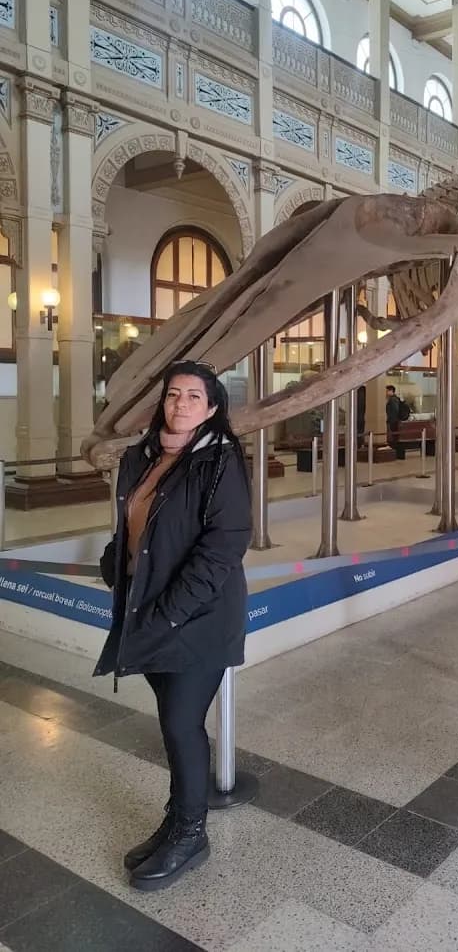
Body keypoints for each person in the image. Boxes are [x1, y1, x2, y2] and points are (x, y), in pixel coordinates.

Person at [95, 360, 251, 892]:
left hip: (198, 618)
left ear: (211, 408)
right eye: (172, 394)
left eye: (192, 396)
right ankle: (175, 818)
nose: (180, 403)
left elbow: (222, 548)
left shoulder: (221, 461)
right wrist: (116, 560)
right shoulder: (144, 456)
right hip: (152, 614)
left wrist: (171, 613)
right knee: (171, 722)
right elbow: (134, 521)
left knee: (183, 723)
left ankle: (191, 832)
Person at [385, 384, 406, 460]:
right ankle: (398, 454)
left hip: (394, 421)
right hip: (395, 421)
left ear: (391, 391)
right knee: (395, 438)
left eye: (387, 391)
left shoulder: (393, 399)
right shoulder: (395, 398)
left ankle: (398, 454)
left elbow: (395, 410)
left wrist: (390, 420)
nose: (386, 393)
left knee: (395, 438)